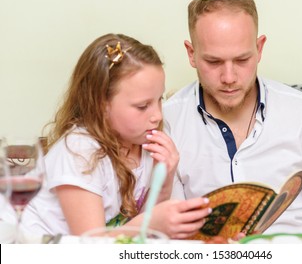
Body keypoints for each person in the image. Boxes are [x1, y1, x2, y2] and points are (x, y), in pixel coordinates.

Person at [163, 0, 302, 243]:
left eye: (242, 59)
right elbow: (169, 230)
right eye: (214, 62)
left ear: (259, 48)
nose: (229, 78)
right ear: (191, 54)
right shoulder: (166, 121)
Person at [20, 33, 210, 239]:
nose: (157, 115)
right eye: (142, 106)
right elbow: (93, 247)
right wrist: (149, 223)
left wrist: (164, 180)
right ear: (101, 105)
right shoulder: (79, 151)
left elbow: (144, 240)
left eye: (159, 100)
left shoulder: (146, 144)